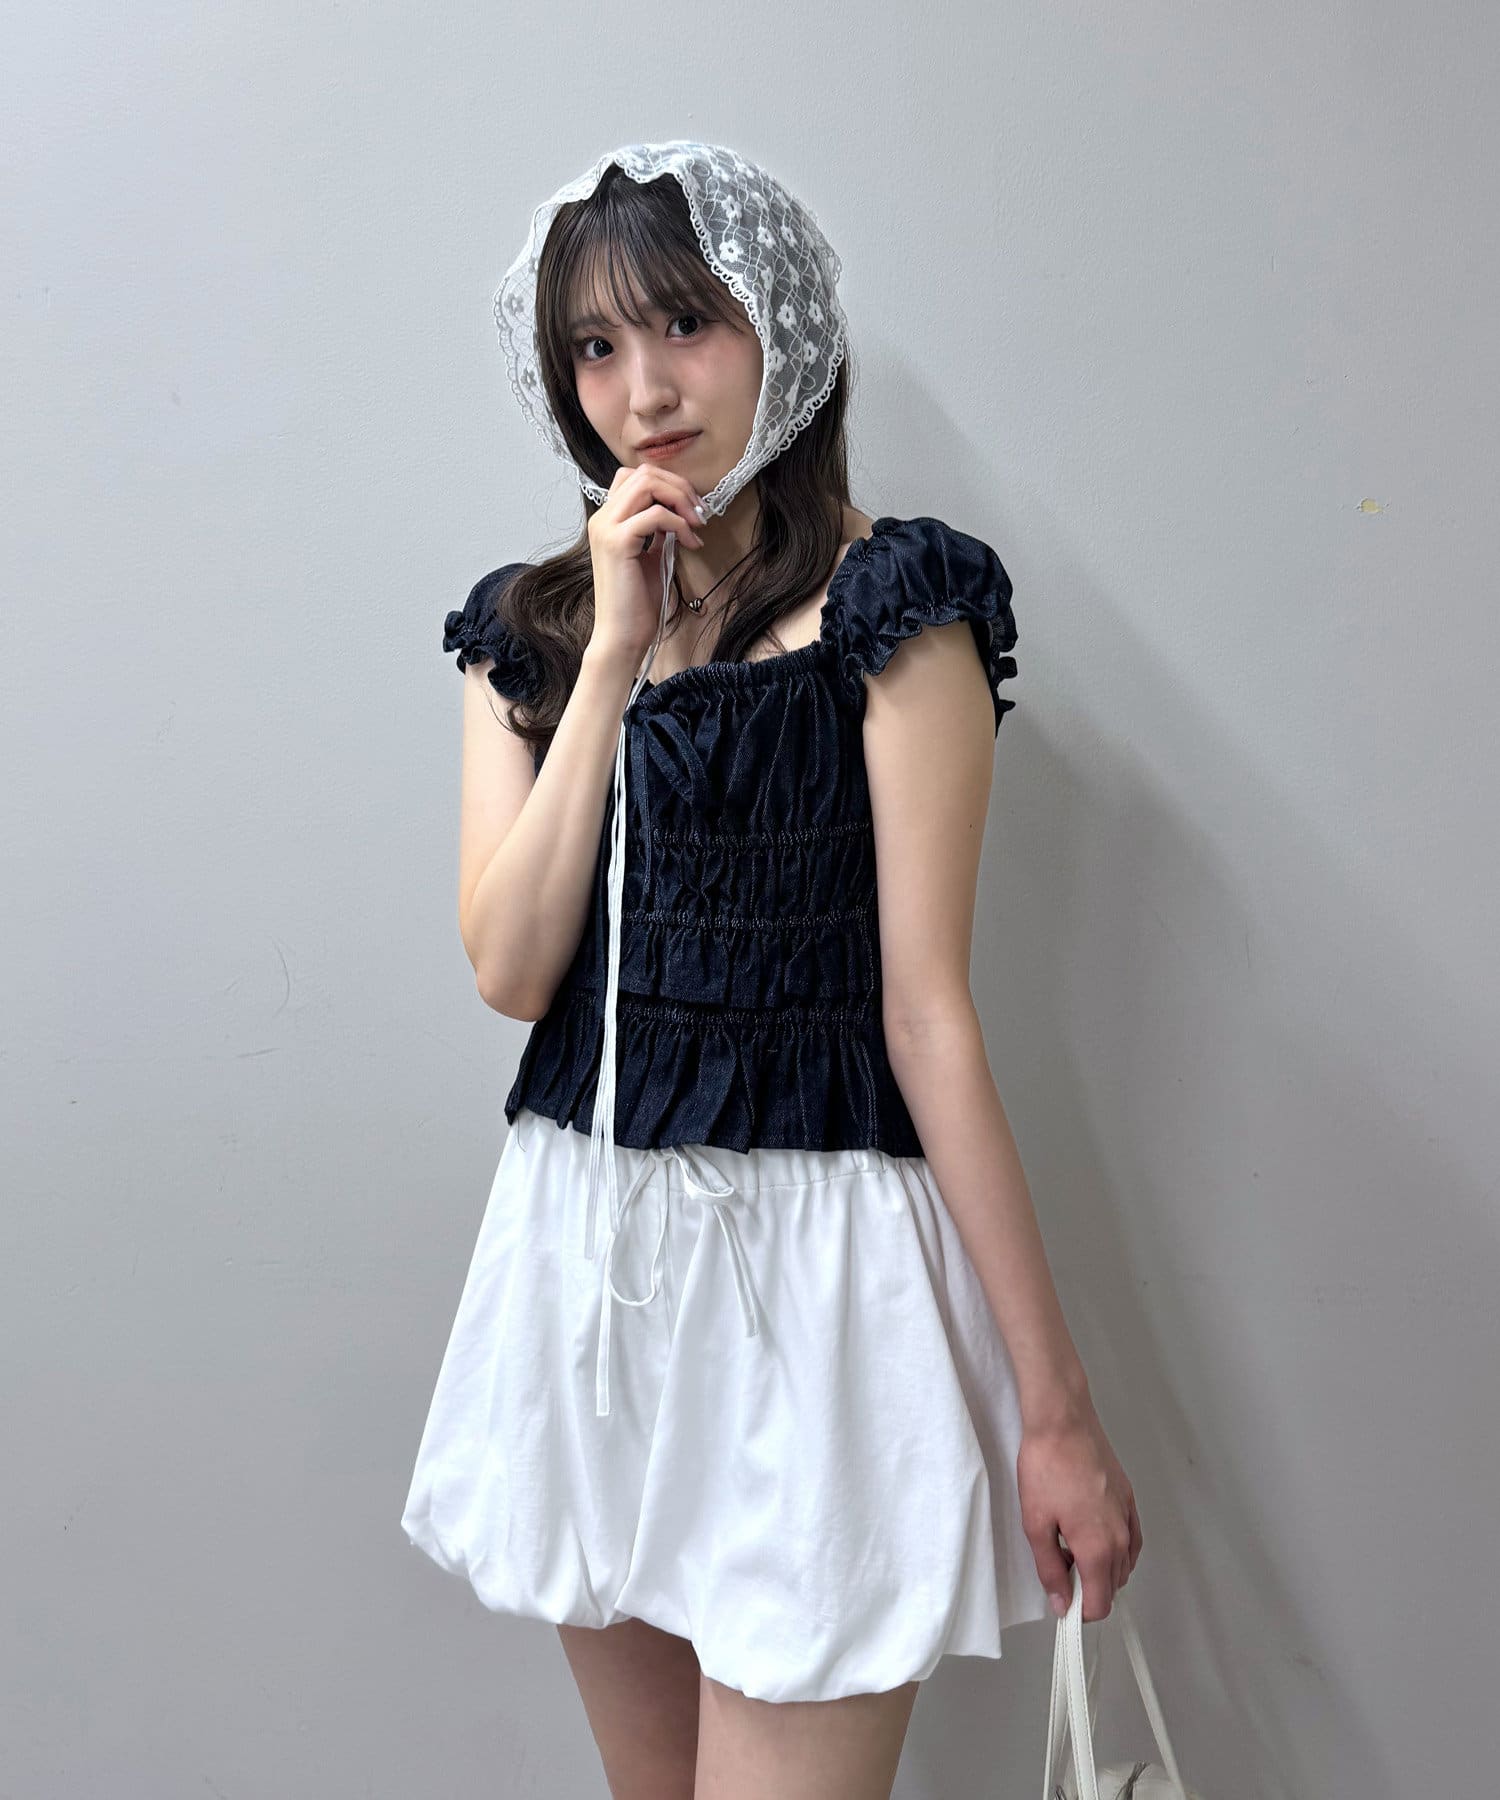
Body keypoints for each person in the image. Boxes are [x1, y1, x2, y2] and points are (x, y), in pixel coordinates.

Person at [401, 142, 1140, 1799]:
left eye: (687, 324)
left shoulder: (895, 607)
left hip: (819, 1286)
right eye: (596, 347)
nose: (645, 391)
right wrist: (612, 648)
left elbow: (925, 1013)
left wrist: (1057, 1410)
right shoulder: (529, 632)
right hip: (587, 1264)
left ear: (782, 325)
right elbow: (511, 968)